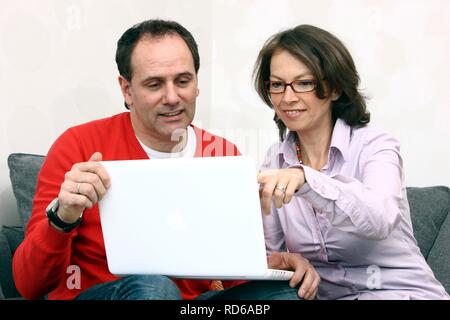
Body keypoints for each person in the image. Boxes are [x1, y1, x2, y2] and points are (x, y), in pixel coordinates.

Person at [12, 19, 320, 300]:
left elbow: (230, 276)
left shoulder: (222, 154)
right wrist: (63, 216)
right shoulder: (77, 145)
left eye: (183, 81)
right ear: (127, 89)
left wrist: (275, 264)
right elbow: (29, 286)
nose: (172, 97)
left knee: (287, 294)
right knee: (153, 286)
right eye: (154, 84)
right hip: (110, 295)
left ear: (197, 83)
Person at [254, 24, 450, 300]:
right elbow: (267, 255)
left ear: (334, 88)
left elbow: (380, 217)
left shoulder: (376, 146)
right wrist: (287, 261)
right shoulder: (274, 160)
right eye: (277, 85)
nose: (287, 97)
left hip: (400, 294)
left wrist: (306, 179)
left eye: (304, 83)